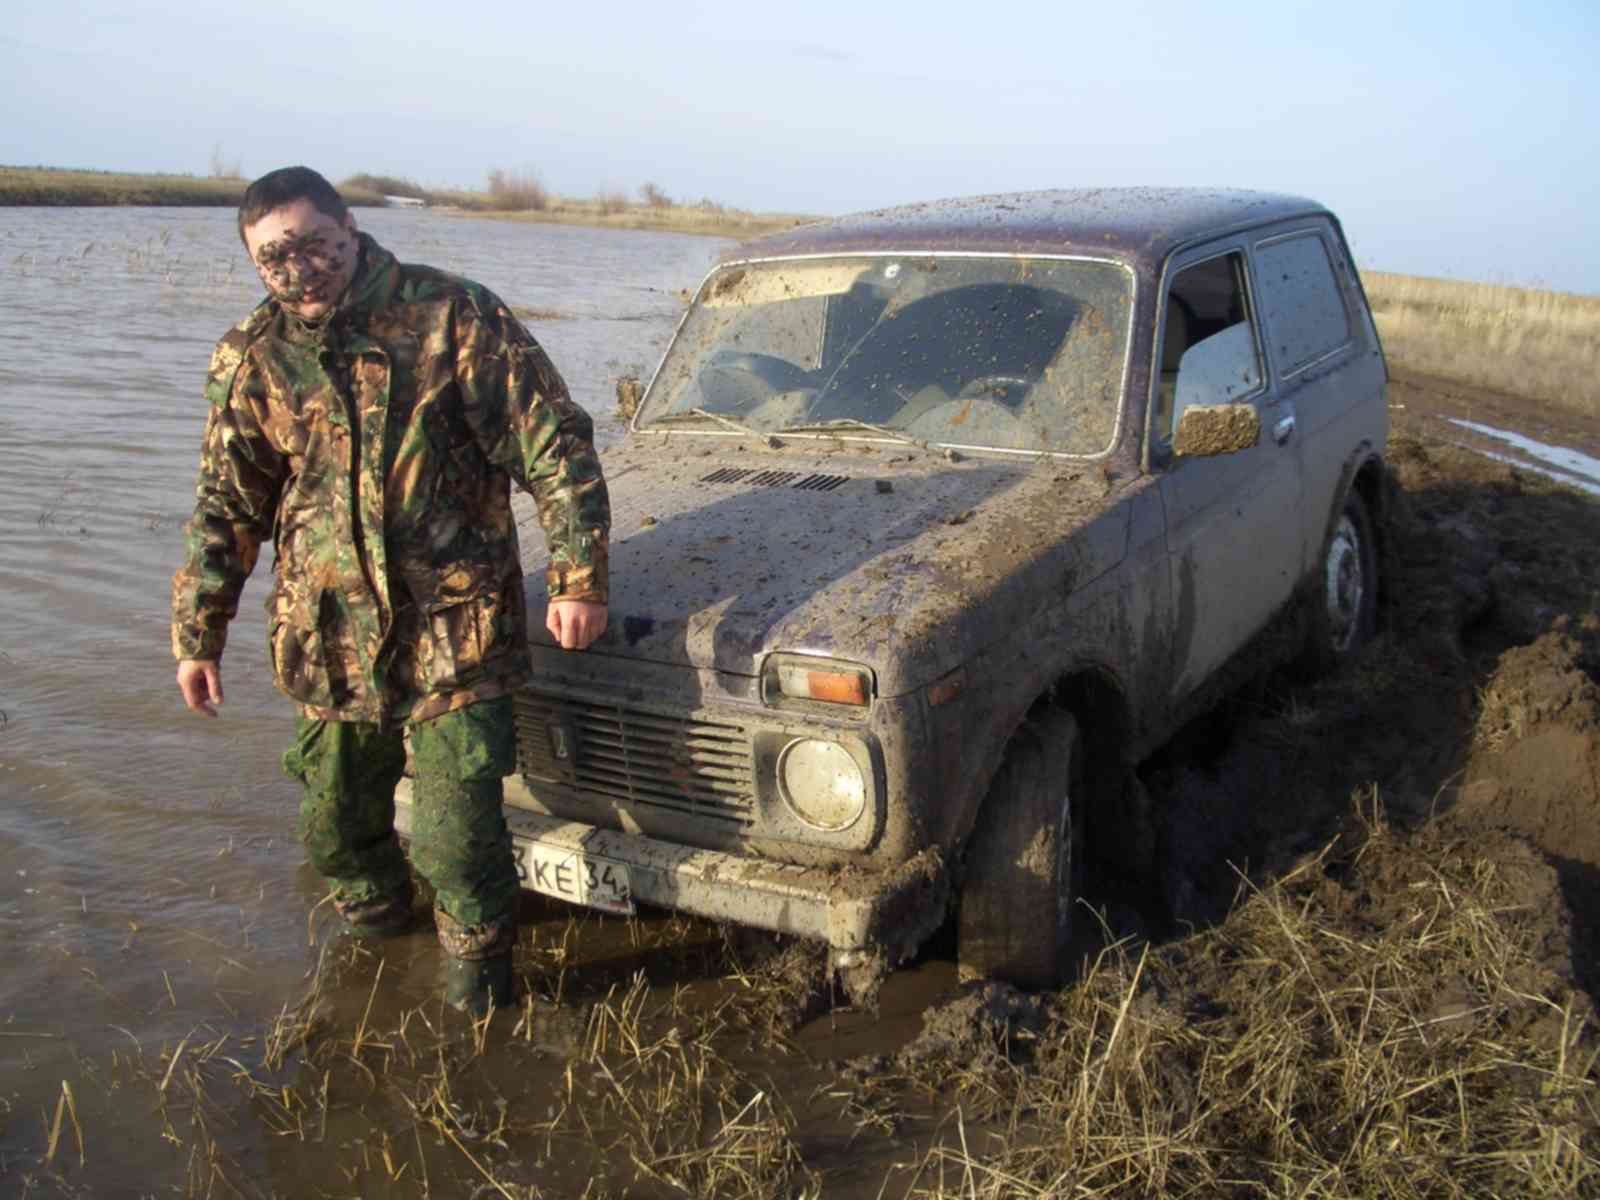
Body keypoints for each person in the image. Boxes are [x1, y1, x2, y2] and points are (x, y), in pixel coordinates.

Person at [171, 166, 610, 1014]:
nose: (299, 269)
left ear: (349, 229)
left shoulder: (452, 315)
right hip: (326, 637)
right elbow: (227, 506)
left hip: (457, 630)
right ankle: (370, 971)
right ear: (255, 263)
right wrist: (199, 635)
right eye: (274, 257)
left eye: (313, 244)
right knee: (335, 825)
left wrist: (579, 575)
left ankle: (475, 999)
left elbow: (554, 445)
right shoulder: (252, 356)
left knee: (454, 837)